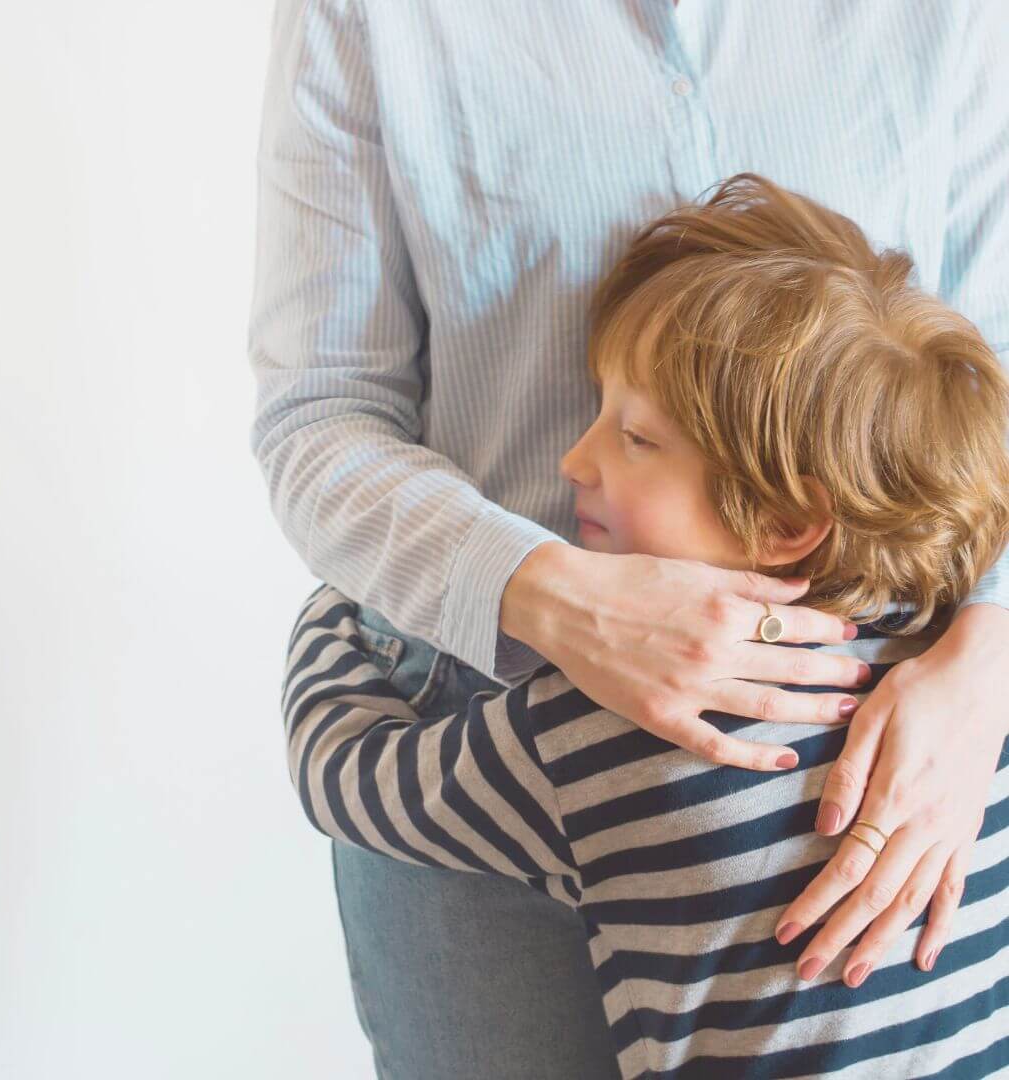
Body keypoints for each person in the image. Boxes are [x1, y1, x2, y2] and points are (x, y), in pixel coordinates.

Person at [248, 2, 1009, 1075]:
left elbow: (350, 772)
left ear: (797, 517)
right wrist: (544, 590)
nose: (578, 458)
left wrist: (991, 655)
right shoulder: (375, 21)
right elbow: (321, 411)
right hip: (483, 690)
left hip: (923, 731)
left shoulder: (571, 751)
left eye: (633, 431)